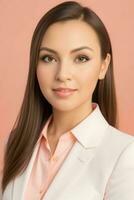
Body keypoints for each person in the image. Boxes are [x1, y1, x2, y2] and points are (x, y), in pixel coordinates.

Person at [1, 1, 134, 199]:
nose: (63, 74)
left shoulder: (124, 154)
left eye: (81, 58)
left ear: (103, 66)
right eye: (49, 58)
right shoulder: (14, 144)